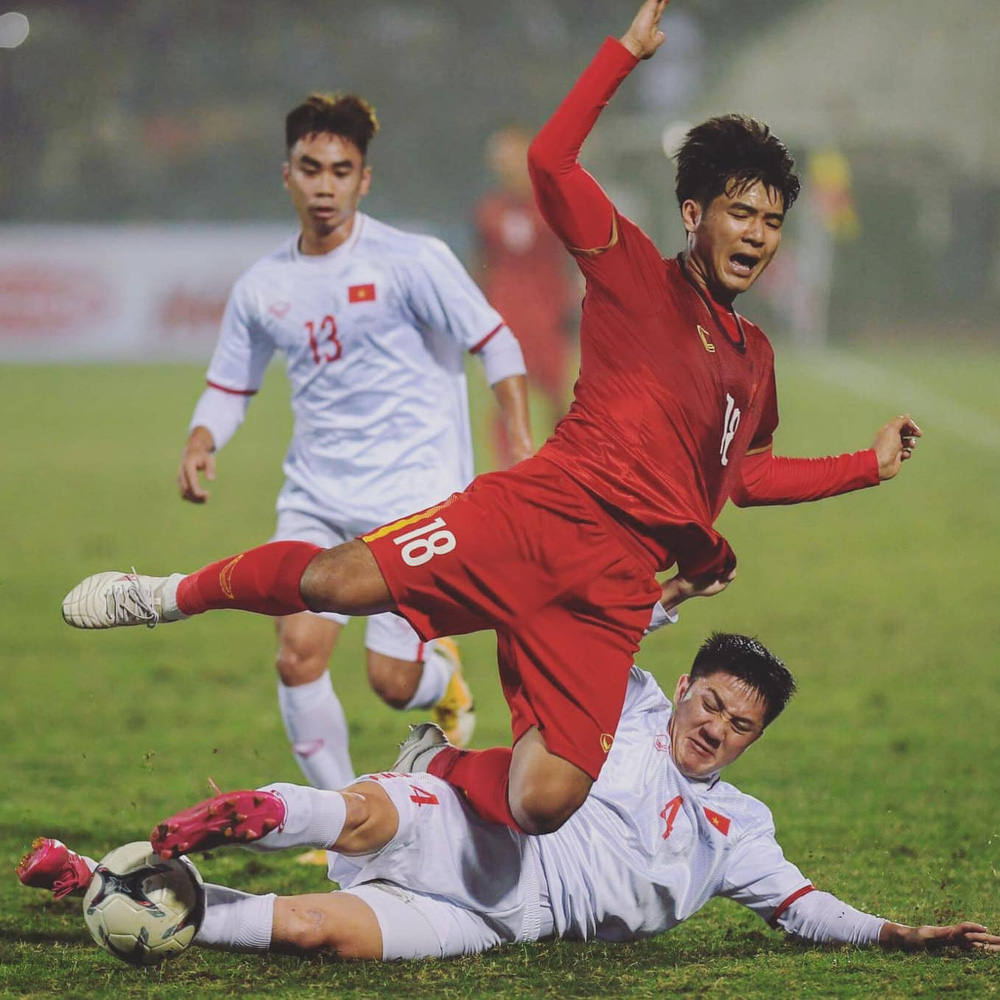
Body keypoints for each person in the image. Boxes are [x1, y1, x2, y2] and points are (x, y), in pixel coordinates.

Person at [61, 0, 922, 837]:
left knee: (544, 800)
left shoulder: (755, 358)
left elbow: (750, 476)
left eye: (772, 222)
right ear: (694, 215)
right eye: (741, 213)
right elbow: (551, 162)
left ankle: (432, 762)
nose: (758, 235)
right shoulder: (631, 267)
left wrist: (866, 466)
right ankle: (164, 595)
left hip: (618, 586)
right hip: (539, 516)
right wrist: (622, 55)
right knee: (331, 584)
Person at [18, 628, 999, 962]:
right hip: (485, 832)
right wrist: (658, 598)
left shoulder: (740, 829)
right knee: (366, 814)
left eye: (739, 726)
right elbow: (574, 630)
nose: (714, 728)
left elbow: (803, 908)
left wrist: (902, 935)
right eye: (710, 703)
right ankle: (258, 812)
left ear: (754, 739)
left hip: (502, 920)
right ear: (685, 686)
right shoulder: (628, 704)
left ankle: (103, 884)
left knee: (315, 932)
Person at [173, 92, 534, 791]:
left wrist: (518, 439)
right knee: (296, 654)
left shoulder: (412, 261)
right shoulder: (263, 286)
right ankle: (340, 819)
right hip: (316, 495)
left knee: (391, 683)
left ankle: (442, 678)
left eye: (341, 171)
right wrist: (201, 438)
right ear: (288, 176)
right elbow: (230, 384)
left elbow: (495, 341)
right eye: (311, 169)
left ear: (363, 180)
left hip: (412, 502)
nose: (325, 186)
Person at [474, 124, 577, 464]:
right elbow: (481, 265)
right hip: (506, 317)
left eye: (512, 155)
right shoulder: (489, 211)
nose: (506, 164)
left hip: (548, 318)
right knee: (506, 396)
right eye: (500, 158)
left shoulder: (552, 204)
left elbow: (574, 255)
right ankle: (510, 471)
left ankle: (566, 464)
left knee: (559, 397)